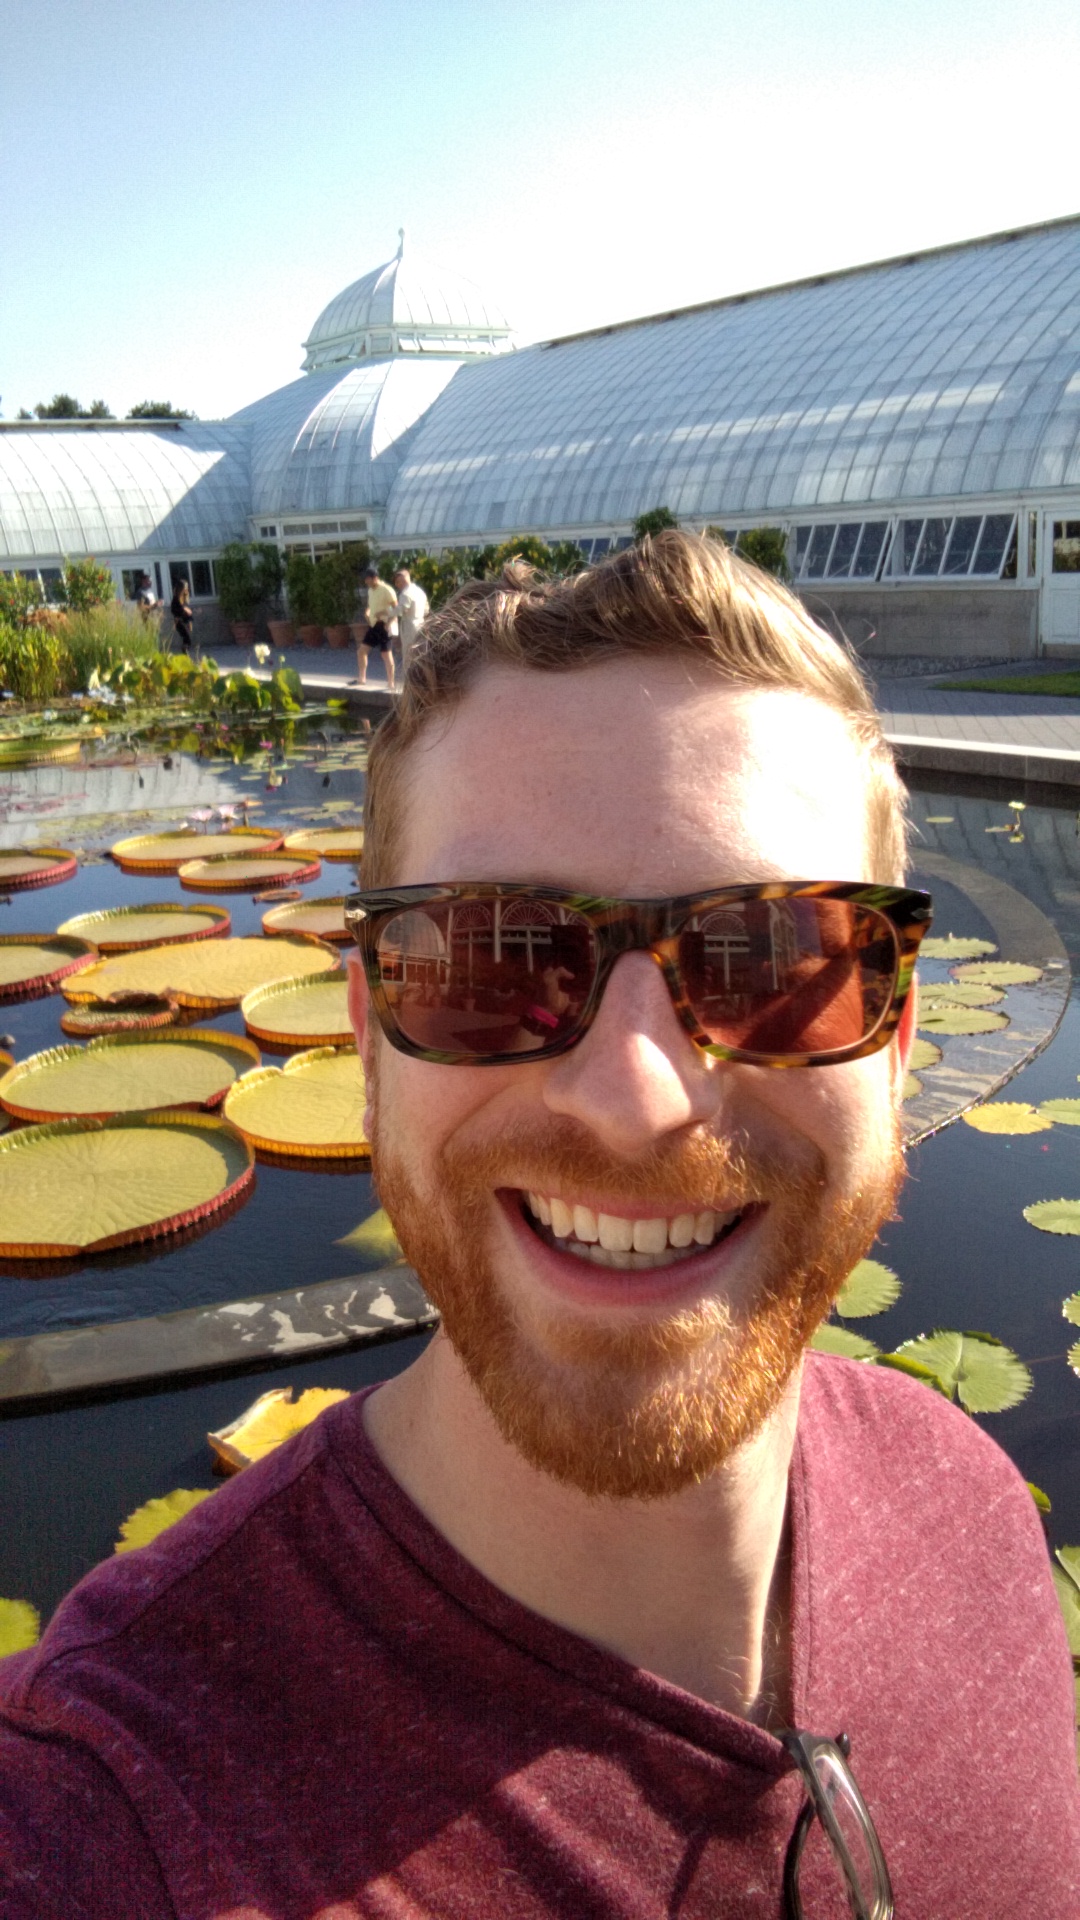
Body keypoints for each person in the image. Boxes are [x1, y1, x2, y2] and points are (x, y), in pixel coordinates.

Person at [1, 533, 1078, 1917]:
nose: (634, 1101)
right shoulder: (112, 1807)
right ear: (369, 1040)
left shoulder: (972, 1507)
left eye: (771, 959)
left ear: (895, 1036)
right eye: (492, 957)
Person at [353, 561, 398, 690]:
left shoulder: (387, 590)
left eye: (367, 579)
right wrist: (368, 612)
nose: (365, 582)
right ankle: (362, 678)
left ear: (374, 578)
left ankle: (391, 682)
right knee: (362, 651)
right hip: (373, 625)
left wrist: (389, 622)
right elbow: (371, 605)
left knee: (386, 654)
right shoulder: (370, 591)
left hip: (384, 625)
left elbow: (396, 609)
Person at [394, 563, 429, 671]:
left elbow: (401, 610)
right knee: (420, 654)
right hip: (421, 624)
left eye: (397, 582)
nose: (397, 585)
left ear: (402, 580)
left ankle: (409, 678)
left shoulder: (405, 593)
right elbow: (426, 610)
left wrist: (388, 612)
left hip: (409, 626)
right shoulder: (420, 591)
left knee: (409, 655)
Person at [169, 576, 193, 652]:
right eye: (186, 587)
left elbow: (188, 610)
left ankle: (185, 653)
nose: (187, 589)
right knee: (187, 639)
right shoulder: (176, 599)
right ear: (181, 588)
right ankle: (185, 653)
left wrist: (189, 621)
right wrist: (184, 610)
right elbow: (175, 610)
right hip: (179, 621)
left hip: (185, 621)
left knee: (187, 640)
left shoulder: (184, 598)